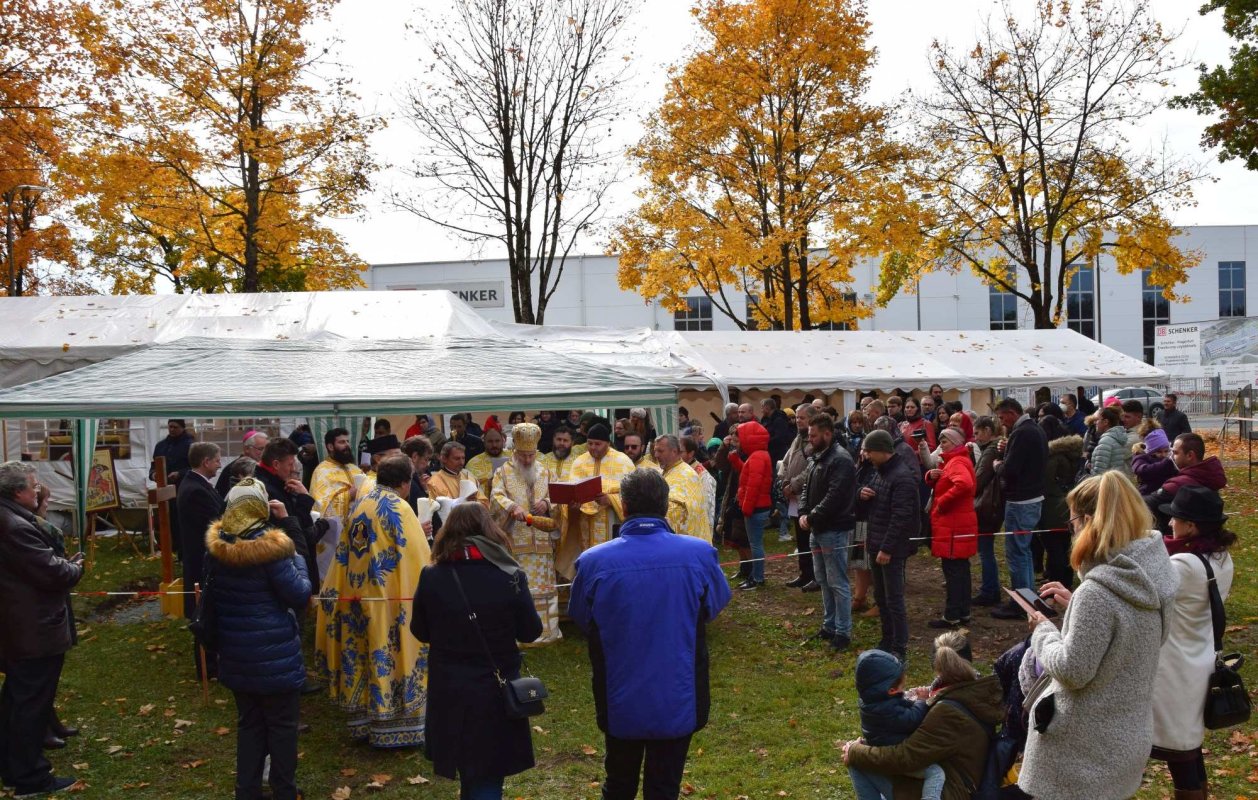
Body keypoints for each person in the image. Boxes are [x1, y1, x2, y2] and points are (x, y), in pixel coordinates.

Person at [568, 469, 732, 800]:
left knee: (619, 783)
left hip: (620, 695)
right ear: (664, 505)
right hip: (678, 694)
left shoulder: (594, 562)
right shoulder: (698, 554)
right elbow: (714, 605)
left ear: (625, 506)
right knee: (663, 787)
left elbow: (582, 618)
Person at [1014, 472, 1178, 800]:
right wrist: (1076, 605)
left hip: (1083, 752)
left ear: (1088, 521)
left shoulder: (1099, 592)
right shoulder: (1152, 576)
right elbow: (1131, 632)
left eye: (1073, 521)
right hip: (1124, 737)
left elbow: (1072, 670)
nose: (1072, 530)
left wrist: (1043, 629)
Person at [410, 503, 543, 800]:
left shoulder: (432, 576)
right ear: (489, 530)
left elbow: (420, 630)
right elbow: (531, 631)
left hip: (449, 687)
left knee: (470, 767)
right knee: (488, 770)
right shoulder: (509, 575)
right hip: (495, 688)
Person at [206, 479, 311, 800]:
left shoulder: (218, 547)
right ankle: (284, 790)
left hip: (237, 652)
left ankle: (247, 790)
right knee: (282, 727)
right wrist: (297, 558)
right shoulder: (271, 550)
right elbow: (300, 593)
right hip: (275, 655)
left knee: (249, 725)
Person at [317, 456, 431, 749]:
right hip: (392, 603)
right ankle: (398, 728)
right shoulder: (400, 508)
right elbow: (418, 560)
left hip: (358, 598)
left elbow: (344, 555)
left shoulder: (362, 505)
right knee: (393, 655)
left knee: (365, 653)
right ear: (405, 482)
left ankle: (364, 724)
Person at [0, 462, 84, 797]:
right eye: (33, 486)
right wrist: (74, 568)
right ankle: (30, 777)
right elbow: (52, 573)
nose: (38, 491)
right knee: (30, 704)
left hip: (19, 625)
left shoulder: (11, 518)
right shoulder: (14, 526)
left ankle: (13, 768)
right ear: (17, 491)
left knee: (18, 700)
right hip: (30, 628)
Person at [1150, 485, 1236, 800]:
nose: (1170, 523)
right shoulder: (1221, 558)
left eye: (1176, 518)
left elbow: (1147, 593)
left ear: (1192, 526)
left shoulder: (1184, 565)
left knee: (1180, 752)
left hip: (1176, 667)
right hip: (1198, 658)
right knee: (1189, 747)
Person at [843, 635, 1003, 800]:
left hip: (950, 790)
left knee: (857, 762)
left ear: (937, 664)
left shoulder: (948, 711)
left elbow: (906, 756)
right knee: (863, 758)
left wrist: (855, 751)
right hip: (954, 775)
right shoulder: (972, 689)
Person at [488, 423, 561, 643]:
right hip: (515, 541)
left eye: (531, 455)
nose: (527, 460)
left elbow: (558, 495)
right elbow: (495, 497)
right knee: (519, 588)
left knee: (543, 586)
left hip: (541, 540)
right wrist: (512, 507)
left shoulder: (545, 471)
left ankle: (547, 632)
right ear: (515, 451)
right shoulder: (503, 472)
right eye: (523, 455)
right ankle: (519, 634)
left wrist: (547, 503)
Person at [858, 430, 920, 661]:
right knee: (881, 597)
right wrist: (861, 494)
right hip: (875, 541)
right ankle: (887, 639)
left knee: (894, 599)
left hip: (890, 548)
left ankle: (899, 646)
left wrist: (887, 548)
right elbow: (874, 505)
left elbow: (901, 517)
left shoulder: (902, 477)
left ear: (882, 451)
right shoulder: (879, 472)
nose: (866, 455)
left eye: (869, 451)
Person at [798, 412, 857, 650]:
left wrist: (812, 516)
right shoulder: (817, 456)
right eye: (809, 435)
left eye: (813, 435)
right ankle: (829, 625)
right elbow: (807, 486)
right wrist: (803, 512)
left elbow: (835, 495)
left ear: (827, 434)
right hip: (817, 528)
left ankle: (843, 632)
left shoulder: (840, 459)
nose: (810, 439)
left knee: (837, 581)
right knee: (822, 579)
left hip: (834, 529)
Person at [990, 398, 1049, 620]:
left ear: (1012, 413)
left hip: (1021, 501)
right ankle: (1029, 598)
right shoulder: (1034, 429)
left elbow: (1010, 469)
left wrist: (997, 465)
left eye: (1002, 417)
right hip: (1032, 497)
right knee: (1023, 551)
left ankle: (1021, 603)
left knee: (1017, 553)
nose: (1001, 422)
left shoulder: (1022, 433)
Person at [177, 442, 226, 680]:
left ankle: (213, 663)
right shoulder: (195, 490)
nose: (219, 464)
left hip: (202, 559)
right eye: (216, 460)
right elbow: (215, 522)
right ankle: (208, 668)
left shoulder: (198, 485)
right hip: (200, 562)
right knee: (204, 614)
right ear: (205, 462)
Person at [925, 427, 977, 629]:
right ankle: (963, 611)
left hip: (954, 524)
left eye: (944, 441)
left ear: (955, 443)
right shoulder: (954, 461)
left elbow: (964, 484)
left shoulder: (956, 462)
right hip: (957, 523)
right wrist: (931, 476)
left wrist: (942, 502)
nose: (941, 445)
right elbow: (949, 482)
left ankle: (952, 614)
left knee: (953, 570)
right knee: (961, 569)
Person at [568, 424, 636, 561]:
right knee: (588, 559)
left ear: (608, 443)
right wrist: (572, 505)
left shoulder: (623, 461)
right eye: (590, 443)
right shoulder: (579, 462)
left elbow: (634, 494)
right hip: (585, 523)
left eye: (597, 444)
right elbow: (571, 489)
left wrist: (611, 500)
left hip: (611, 521)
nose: (593, 447)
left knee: (611, 560)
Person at [1145, 433, 1227, 533]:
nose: (1171, 457)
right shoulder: (1209, 476)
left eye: (1175, 453)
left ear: (1189, 455)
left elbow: (1146, 504)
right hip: (1207, 536)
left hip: (1178, 536)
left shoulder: (1179, 484)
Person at [309, 427, 365, 568]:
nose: (347, 445)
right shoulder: (322, 471)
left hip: (358, 531)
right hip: (334, 537)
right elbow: (321, 506)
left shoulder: (354, 468)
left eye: (347, 441)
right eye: (341, 442)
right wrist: (348, 495)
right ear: (330, 446)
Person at [728, 419, 772, 590]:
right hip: (757, 506)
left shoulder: (757, 456)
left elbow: (754, 484)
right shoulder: (757, 455)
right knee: (754, 543)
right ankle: (755, 575)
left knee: (755, 544)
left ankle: (757, 577)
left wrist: (746, 507)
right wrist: (735, 460)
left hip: (756, 507)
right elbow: (748, 473)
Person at [1038, 418, 1081, 589]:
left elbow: (1046, 483)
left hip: (1053, 507)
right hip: (1068, 503)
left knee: (1055, 548)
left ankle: (1058, 583)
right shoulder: (1072, 453)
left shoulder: (1053, 456)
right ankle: (1064, 580)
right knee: (1065, 547)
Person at [780, 405, 816, 590]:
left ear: (811, 419)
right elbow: (786, 462)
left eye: (802, 418)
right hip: (794, 497)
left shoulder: (815, 441)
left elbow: (811, 469)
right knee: (801, 539)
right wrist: (785, 482)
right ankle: (804, 573)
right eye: (797, 417)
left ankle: (815, 575)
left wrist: (793, 484)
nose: (798, 421)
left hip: (808, 496)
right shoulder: (797, 439)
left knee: (810, 537)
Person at [971, 416, 1005, 607]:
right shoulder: (991, 449)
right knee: (985, 550)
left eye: (977, 433)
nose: (975, 437)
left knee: (985, 551)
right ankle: (989, 588)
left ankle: (990, 590)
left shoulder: (991, 450)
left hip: (987, 506)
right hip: (990, 505)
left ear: (987, 430)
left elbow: (979, 479)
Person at [652, 435, 711, 542]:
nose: (656, 455)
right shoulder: (669, 470)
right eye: (655, 451)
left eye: (660, 451)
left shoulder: (686, 474)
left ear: (674, 451)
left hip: (688, 541)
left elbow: (675, 509)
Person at [427, 441, 488, 507]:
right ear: (444, 459)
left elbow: (484, 502)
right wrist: (464, 501)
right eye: (457, 459)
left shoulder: (469, 477)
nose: (461, 462)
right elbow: (436, 508)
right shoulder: (434, 482)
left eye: (463, 458)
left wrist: (475, 501)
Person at [218, 430, 269, 497]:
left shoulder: (263, 465)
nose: (264, 453)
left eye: (266, 449)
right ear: (247, 449)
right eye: (260, 449)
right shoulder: (235, 468)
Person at [1087, 406, 1130, 477]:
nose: (1095, 423)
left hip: (1106, 482)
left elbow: (1099, 473)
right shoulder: (1119, 437)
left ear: (1105, 422)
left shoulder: (1105, 441)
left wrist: (1090, 469)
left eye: (1097, 420)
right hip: (1115, 480)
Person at [467, 427, 510, 496]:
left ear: (503, 441)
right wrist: (487, 485)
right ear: (484, 443)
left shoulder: (514, 458)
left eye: (497, 441)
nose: (494, 445)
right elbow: (469, 491)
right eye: (490, 441)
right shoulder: (473, 463)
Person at [1131, 428, 1175, 496]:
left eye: (1166, 451)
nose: (1163, 455)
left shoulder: (1170, 457)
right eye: (1159, 452)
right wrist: (1167, 462)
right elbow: (1142, 470)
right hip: (1148, 494)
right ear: (1150, 451)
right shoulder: (1141, 457)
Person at [152, 418, 195, 485]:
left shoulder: (191, 445)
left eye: (175, 427)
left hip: (184, 485)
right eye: (170, 427)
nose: (172, 429)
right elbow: (154, 465)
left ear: (182, 428)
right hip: (164, 485)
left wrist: (180, 473)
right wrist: (153, 474)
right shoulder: (160, 446)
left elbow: (196, 468)